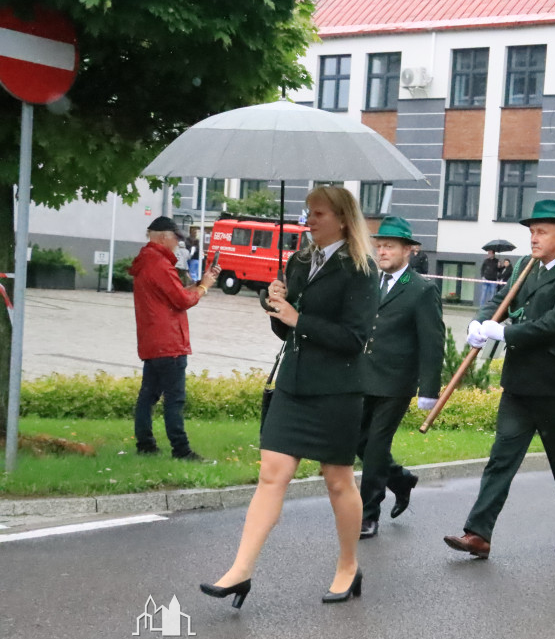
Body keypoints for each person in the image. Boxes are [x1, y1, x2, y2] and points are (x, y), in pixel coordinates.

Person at [200, 186, 378, 608]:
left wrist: (300, 316)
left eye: (318, 214)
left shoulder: (361, 268)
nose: (309, 220)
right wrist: (276, 305)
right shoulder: (299, 260)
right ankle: (240, 570)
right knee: (271, 474)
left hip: (338, 389)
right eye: (307, 212)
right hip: (294, 385)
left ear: (341, 218)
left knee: (337, 481)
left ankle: (348, 565)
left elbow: (354, 339)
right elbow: (288, 329)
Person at [443, 199, 555, 558]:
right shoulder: (526, 267)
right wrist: (479, 323)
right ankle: (478, 533)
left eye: (541, 232)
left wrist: (506, 334)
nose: (534, 238)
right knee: (501, 457)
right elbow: (499, 300)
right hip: (520, 384)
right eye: (531, 232)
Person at [357, 216, 445, 539]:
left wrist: (429, 388)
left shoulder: (422, 290)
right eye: (379, 246)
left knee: (377, 446)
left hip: (396, 382)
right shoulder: (369, 282)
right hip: (364, 377)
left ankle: (368, 514)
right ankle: (400, 479)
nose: (382, 252)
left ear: (408, 250)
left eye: (389, 246)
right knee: (358, 442)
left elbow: (433, 342)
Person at [129, 216, 221, 461]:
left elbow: (173, 294)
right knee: (174, 399)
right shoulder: (159, 264)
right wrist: (203, 288)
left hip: (152, 341)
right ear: (161, 237)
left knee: (147, 396)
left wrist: (202, 283)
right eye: (175, 237)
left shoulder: (145, 263)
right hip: (169, 342)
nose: (178, 242)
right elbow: (182, 300)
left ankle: (145, 444)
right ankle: (181, 450)